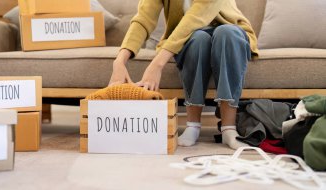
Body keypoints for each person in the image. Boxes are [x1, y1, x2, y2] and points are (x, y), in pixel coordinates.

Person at [108, 0, 259, 149]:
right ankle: (192, 125)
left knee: (226, 32)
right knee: (198, 38)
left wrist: (157, 64)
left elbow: (196, 17)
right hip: (191, 37)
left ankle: (229, 129)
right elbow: (143, 19)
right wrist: (119, 61)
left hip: (230, 32)